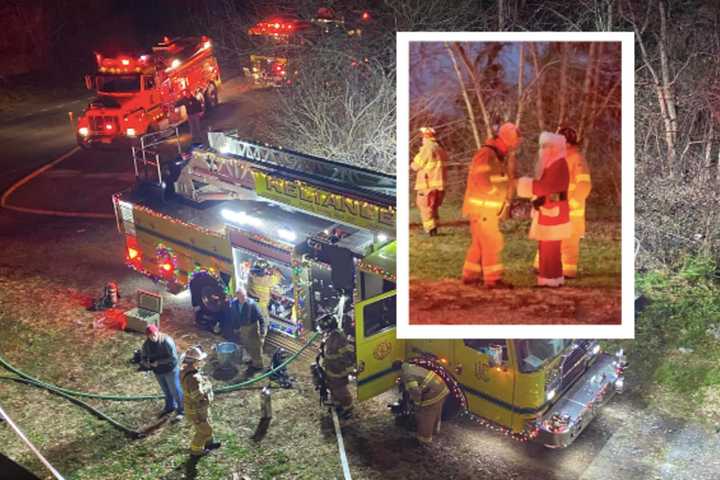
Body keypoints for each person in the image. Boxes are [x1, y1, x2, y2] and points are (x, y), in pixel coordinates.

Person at [461, 122, 521, 288]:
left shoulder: (495, 155)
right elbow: (482, 180)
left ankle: (470, 275)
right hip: (483, 209)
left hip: (484, 209)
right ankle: (492, 279)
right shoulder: (487, 155)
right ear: (505, 140)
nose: (512, 148)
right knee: (492, 241)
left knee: (479, 242)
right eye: (512, 144)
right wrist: (496, 193)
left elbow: (500, 180)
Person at [517, 132, 572, 287]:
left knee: (549, 247)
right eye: (542, 146)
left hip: (554, 211)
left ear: (555, 148)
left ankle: (549, 280)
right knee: (548, 246)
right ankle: (552, 278)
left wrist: (526, 185)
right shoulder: (551, 163)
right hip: (550, 209)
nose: (543, 149)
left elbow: (548, 187)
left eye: (547, 146)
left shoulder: (559, 164)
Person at [558, 127, 592, 278]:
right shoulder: (561, 159)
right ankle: (542, 267)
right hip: (558, 208)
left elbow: (584, 185)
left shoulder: (577, 159)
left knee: (568, 242)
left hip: (571, 211)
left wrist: (571, 204)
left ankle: (568, 271)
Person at [393, 360, 449, 445]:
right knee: (436, 411)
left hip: (433, 393)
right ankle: (435, 430)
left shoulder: (407, 375)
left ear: (398, 370)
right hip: (442, 388)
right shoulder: (411, 366)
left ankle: (424, 439)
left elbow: (415, 392)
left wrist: (417, 405)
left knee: (426, 415)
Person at [180, 346, 221, 457]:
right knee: (203, 430)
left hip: (194, 408)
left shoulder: (184, 371)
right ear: (195, 362)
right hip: (196, 410)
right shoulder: (193, 378)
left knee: (207, 422)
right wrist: (207, 388)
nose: (202, 362)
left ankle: (209, 442)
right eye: (200, 360)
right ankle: (196, 450)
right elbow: (198, 397)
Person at [411, 126, 448, 236]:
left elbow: (416, 166)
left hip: (427, 185)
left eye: (422, 137)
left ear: (425, 137)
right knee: (433, 207)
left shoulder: (427, 148)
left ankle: (430, 230)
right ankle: (434, 228)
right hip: (439, 185)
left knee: (425, 207)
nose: (421, 140)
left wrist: (413, 163)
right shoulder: (440, 149)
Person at [141, 325, 184, 420]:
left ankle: (181, 410)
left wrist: (158, 362)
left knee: (175, 390)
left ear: (158, 332)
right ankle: (170, 406)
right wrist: (146, 363)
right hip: (158, 371)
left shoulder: (166, 341)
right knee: (166, 390)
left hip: (170, 370)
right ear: (147, 336)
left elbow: (174, 358)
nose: (153, 337)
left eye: (154, 334)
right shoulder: (146, 345)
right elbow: (143, 357)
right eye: (150, 336)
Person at [318, 313, 355, 419]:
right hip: (332, 369)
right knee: (333, 388)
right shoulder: (331, 335)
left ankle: (348, 408)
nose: (321, 330)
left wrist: (349, 369)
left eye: (323, 328)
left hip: (338, 370)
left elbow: (346, 354)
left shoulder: (337, 336)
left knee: (340, 390)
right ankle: (338, 404)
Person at [227, 286, 266, 373]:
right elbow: (233, 316)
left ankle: (258, 365)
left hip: (252, 327)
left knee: (255, 347)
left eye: (244, 296)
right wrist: (235, 327)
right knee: (246, 344)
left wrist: (262, 333)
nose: (243, 298)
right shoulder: (234, 304)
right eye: (241, 296)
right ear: (237, 296)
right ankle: (250, 360)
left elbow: (261, 318)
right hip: (242, 327)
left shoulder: (252, 304)